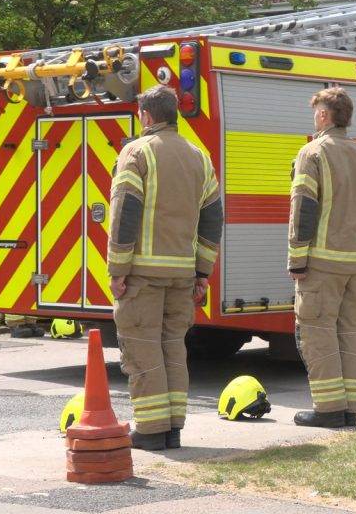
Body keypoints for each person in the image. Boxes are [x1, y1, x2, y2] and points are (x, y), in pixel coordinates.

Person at [107, 84, 222, 450]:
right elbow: (213, 216)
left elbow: (125, 213)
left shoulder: (137, 153)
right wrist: (202, 271)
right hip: (182, 273)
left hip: (143, 272)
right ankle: (173, 427)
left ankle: (151, 430)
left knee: (142, 348)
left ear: (147, 116)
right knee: (173, 346)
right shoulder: (198, 156)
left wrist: (118, 269)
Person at [288, 87, 356, 428]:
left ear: (325, 116)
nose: (314, 117)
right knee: (348, 331)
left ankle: (328, 409)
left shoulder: (312, 154)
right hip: (354, 263)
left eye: (317, 112)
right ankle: (348, 408)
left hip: (321, 263)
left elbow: (304, 210)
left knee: (318, 331)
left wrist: (297, 260)